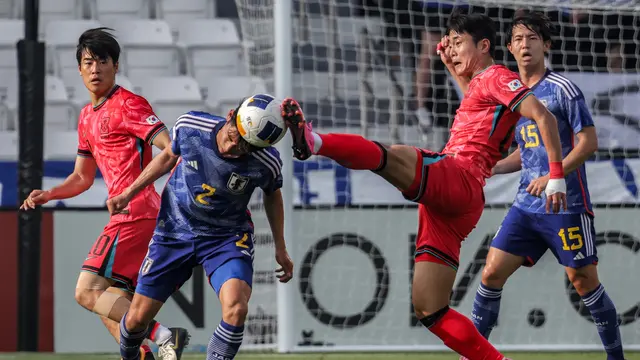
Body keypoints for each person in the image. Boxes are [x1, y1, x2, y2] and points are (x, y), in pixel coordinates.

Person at [282, 11, 568, 360]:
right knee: (430, 309)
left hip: (459, 177)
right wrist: (452, 67)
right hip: (456, 204)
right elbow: (481, 109)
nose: (453, 49)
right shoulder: (482, 83)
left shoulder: (496, 75)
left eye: (459, 43)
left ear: (484, 45)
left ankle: (315, 142)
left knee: (393, 155)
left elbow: (544, 116)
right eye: (451, 43)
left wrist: (556, 175)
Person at [20, 28, 188, 360]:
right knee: (107, 301)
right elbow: (82, 178)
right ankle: (142, 354)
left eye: (102, 61)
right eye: (88, 62)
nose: (95, 69)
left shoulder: (130, 105)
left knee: (86, 292)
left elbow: (171, 148)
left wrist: (134, 191)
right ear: (79, 70)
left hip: (137, 213)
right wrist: (50, 194)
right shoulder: (86, 117)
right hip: (130, 214)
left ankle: (167, 335)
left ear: (115, 65)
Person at [466, 12, 625, 360]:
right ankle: (473, 355)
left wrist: (555, 174)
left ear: (546, 45)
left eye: (532, 38)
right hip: (526, 205)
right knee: (491, 273)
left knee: (584, 281)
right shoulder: (514, 95)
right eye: (519, 39)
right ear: (509, 47)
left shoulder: (562, 89)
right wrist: (490, 167)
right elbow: (526, 152)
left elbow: (589, 142)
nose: (525, 45)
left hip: (564, 204)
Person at [107, 99, 295, 360]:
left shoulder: (266, 162)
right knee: (137, 318)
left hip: (225, 238)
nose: (233, 146)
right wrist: (128, 193)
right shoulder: (191, 125)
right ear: (231, 115)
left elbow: (273, 195)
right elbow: (168, 157)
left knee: (236, 308)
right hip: (174, 231)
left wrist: (281, 248)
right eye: (234, 134)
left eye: (245, 146)